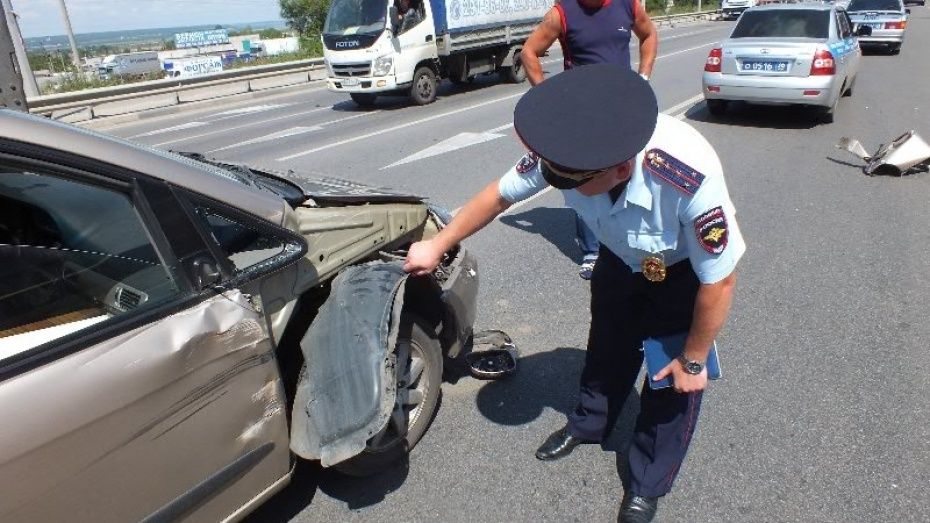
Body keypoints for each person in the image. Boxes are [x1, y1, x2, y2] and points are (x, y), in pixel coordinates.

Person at [403, 65, 745, 523]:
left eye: (571, 182)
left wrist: (696, 358)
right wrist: (439, 243)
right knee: (606, 347)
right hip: (620, 264)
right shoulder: (569, 152)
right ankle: (590, 423)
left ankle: (646, 481)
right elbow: (500, 196)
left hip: (679, 277)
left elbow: (719, 280)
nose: (556, 184)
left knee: (670, 381)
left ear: (621, 167)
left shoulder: (686, 175)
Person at [520, 0, 658, 280]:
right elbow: (529, 52)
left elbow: (649, 35)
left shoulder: (628, 5)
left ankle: (630, 244)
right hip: (581, 116)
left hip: (622, 107)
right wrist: (550, 96)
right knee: (583, 178)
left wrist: (643, 78)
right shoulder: (562, 13)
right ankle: (593, 251)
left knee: (628, 175)